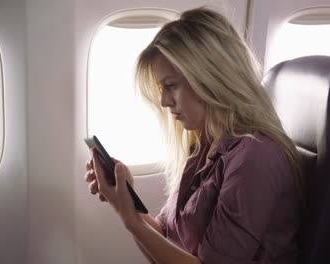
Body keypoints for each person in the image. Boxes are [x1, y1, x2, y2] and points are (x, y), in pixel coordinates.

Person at [84, 7, 303, 264]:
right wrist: (123, 199)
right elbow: (167, 240)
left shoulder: (254, 159)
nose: (164, 101)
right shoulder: (204, 146)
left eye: (171, 86)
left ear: (209, 78)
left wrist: (130, 220)